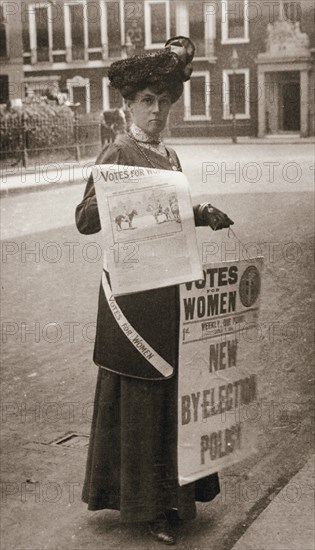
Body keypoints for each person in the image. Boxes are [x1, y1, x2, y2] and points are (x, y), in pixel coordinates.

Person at [75, 36, 234, 546]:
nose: (158, 110)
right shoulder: (118, 149)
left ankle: (172, 497)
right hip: (132, 298)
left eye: (164, 101)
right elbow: (84, 220)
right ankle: (148, 509)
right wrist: (120, 196)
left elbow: (173, 215)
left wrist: (202, 214)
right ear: (128, 105)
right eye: (147, 101)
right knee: (142, 393)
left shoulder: (170, 154)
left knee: (171, 392)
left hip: (169, 288)